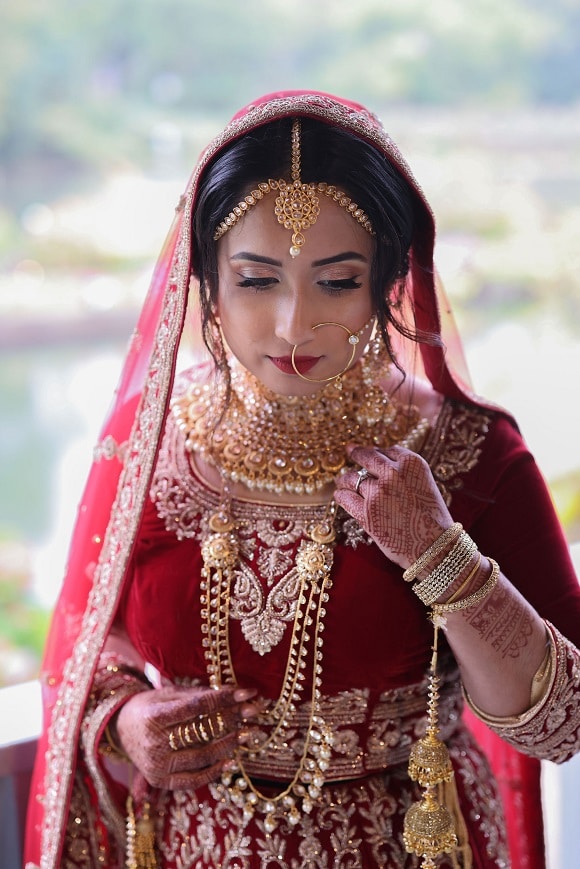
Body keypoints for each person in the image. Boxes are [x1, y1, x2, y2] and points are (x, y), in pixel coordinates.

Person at [25, 91, 580, 869]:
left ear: (388, 281)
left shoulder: (470, 451)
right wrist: (124, 716)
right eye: (256, 281)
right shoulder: (148, 443)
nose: (293, 325)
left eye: (335, 281)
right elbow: (90, 635)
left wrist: (437, 551)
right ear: (207, 285)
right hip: (189, 847)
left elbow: (562, 723)